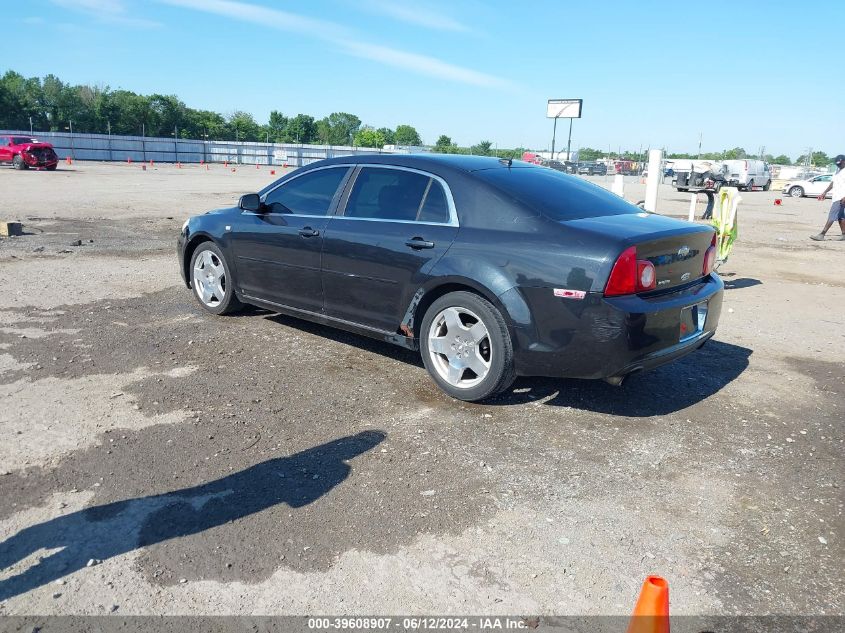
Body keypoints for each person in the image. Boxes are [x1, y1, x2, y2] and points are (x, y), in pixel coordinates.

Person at [810, 154, 845, 241]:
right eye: (837, 163)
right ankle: (844, 235)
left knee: (832, 215)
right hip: (836, 196)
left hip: (841, 197)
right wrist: (825, 192)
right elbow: (833, 183)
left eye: (840, 163)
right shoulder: (837, 171)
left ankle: (822, 234)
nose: (838, 165)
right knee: (840, 216)